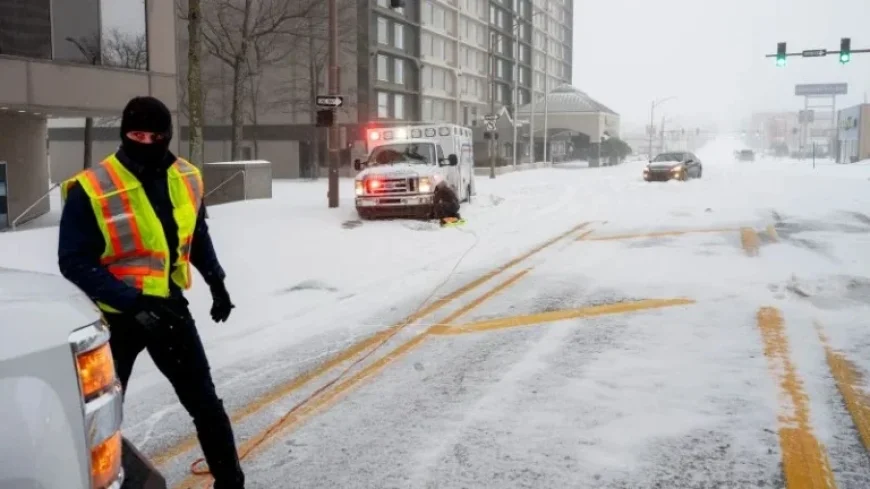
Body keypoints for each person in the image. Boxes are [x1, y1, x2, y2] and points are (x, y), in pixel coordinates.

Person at [57, 96, 245, 489]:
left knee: (205, 405)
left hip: (170, 312)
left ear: (167, 135)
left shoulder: (186, 176)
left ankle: (231, 483)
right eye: (136, 134)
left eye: (155, 135)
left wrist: (216, 281)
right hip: (116, 321)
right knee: (99, 419)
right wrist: (132, 302)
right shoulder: (91, 188)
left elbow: (196, 236)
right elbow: (74, 261)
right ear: (124, 134)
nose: (146, 141)